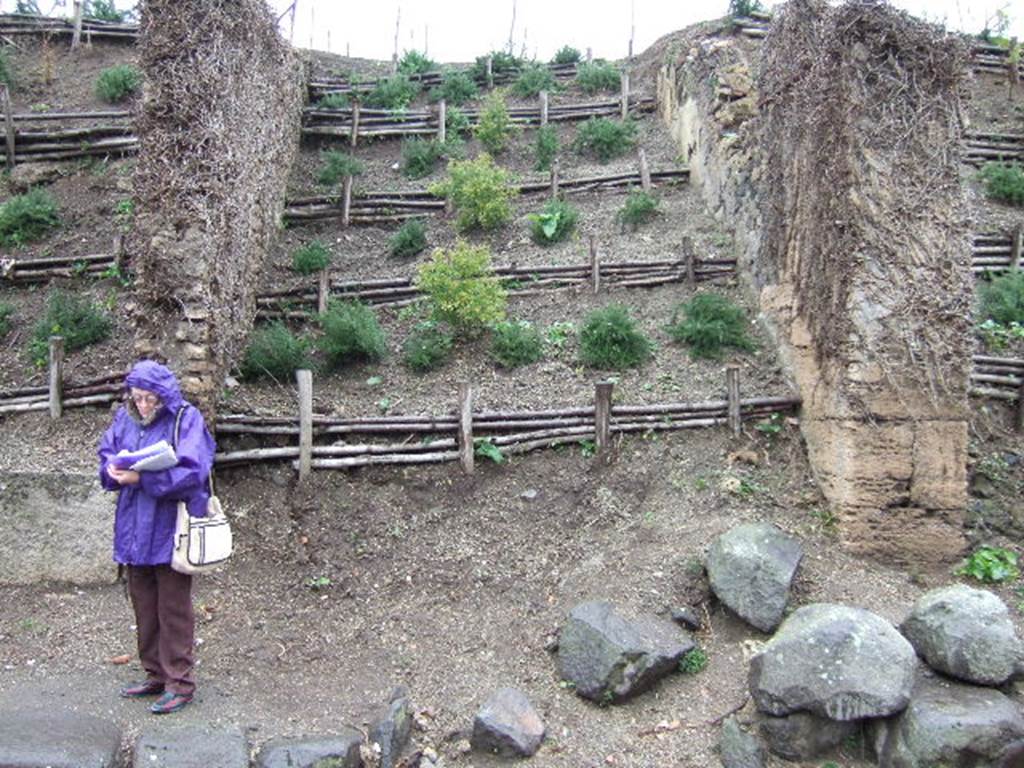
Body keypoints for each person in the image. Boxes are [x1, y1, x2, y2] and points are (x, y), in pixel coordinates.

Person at [97, 359, 215, 715]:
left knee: (173, 608)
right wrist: (112, 469)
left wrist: (143, 479)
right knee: (143, 604)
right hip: (134, 528)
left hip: (170, 528)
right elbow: (107, 451)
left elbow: (193, 471)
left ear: (165, 397)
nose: (144, 405)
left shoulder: (186, 419)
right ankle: (156, 674)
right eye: (138, 398)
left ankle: (180, 682)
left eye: (151, 399)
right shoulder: (125, 417)